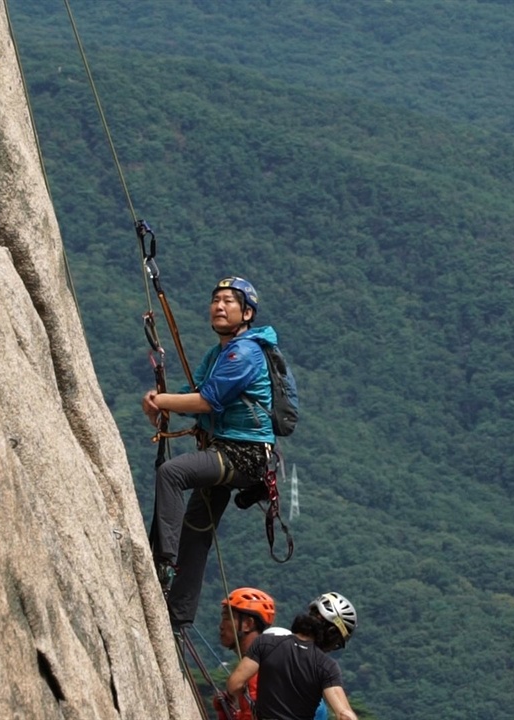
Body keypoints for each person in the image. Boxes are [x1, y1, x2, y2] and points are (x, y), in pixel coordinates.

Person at [142, 277, 277, 629]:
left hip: (244, 454)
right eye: (215, 300)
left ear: (247, 313)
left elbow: (206, 401)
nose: (219, 306)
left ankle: (162, 561)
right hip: (226, 449)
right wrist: (166, 401)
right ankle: (179, 615)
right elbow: (194, 395)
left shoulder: (244, 352)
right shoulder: (218, 354)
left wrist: (161, 401)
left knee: (172, 473)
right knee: (197, 530)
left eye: (229, 302)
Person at [227, 592, 360, 720]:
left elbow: (235, 684)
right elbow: (345, 715)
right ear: (331, 632)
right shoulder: (326, 666)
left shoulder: (266, 642)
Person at [214, 587, 278, 720]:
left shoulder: (257, 672)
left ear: (248, 624)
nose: (221, 625)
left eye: (227, 618)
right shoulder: (265, 662)